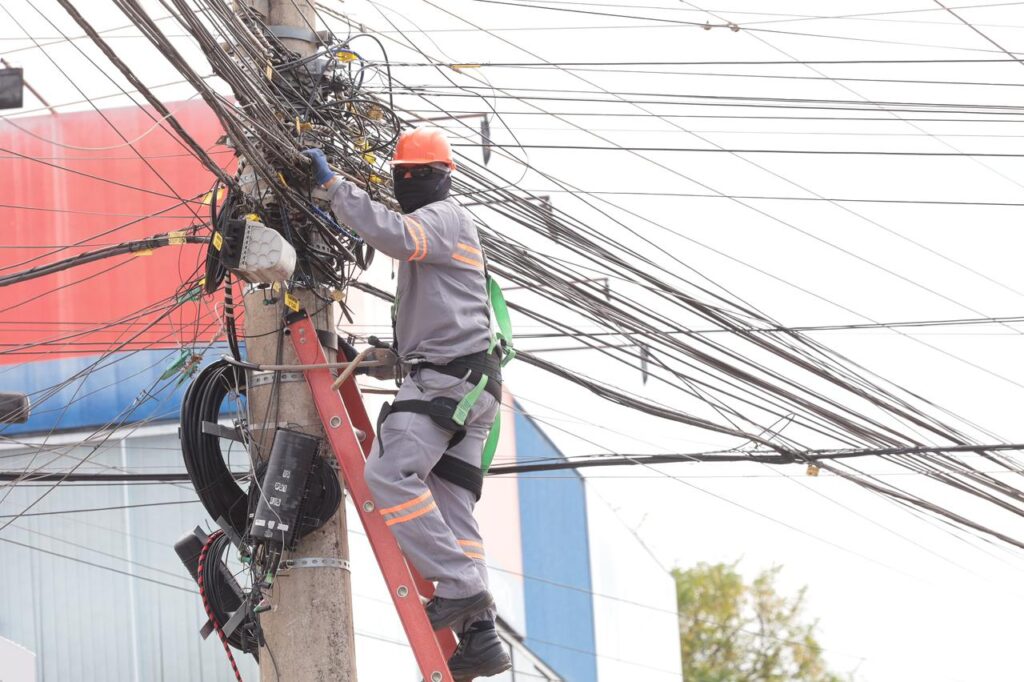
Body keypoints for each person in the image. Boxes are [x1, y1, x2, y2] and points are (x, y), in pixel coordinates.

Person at [303, 128, 511, 680]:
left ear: (444, 178)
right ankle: (482, 636)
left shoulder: (444, 218)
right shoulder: (441, 234)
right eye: (404, 175)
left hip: (449, 383)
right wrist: (392, 360)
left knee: (389, 475)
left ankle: (461, 587)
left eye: (419, 174)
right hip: (468, 385)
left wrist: (335, 188)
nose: (410, 182)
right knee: (452, 510)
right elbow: (444, 320)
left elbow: (396, 235)